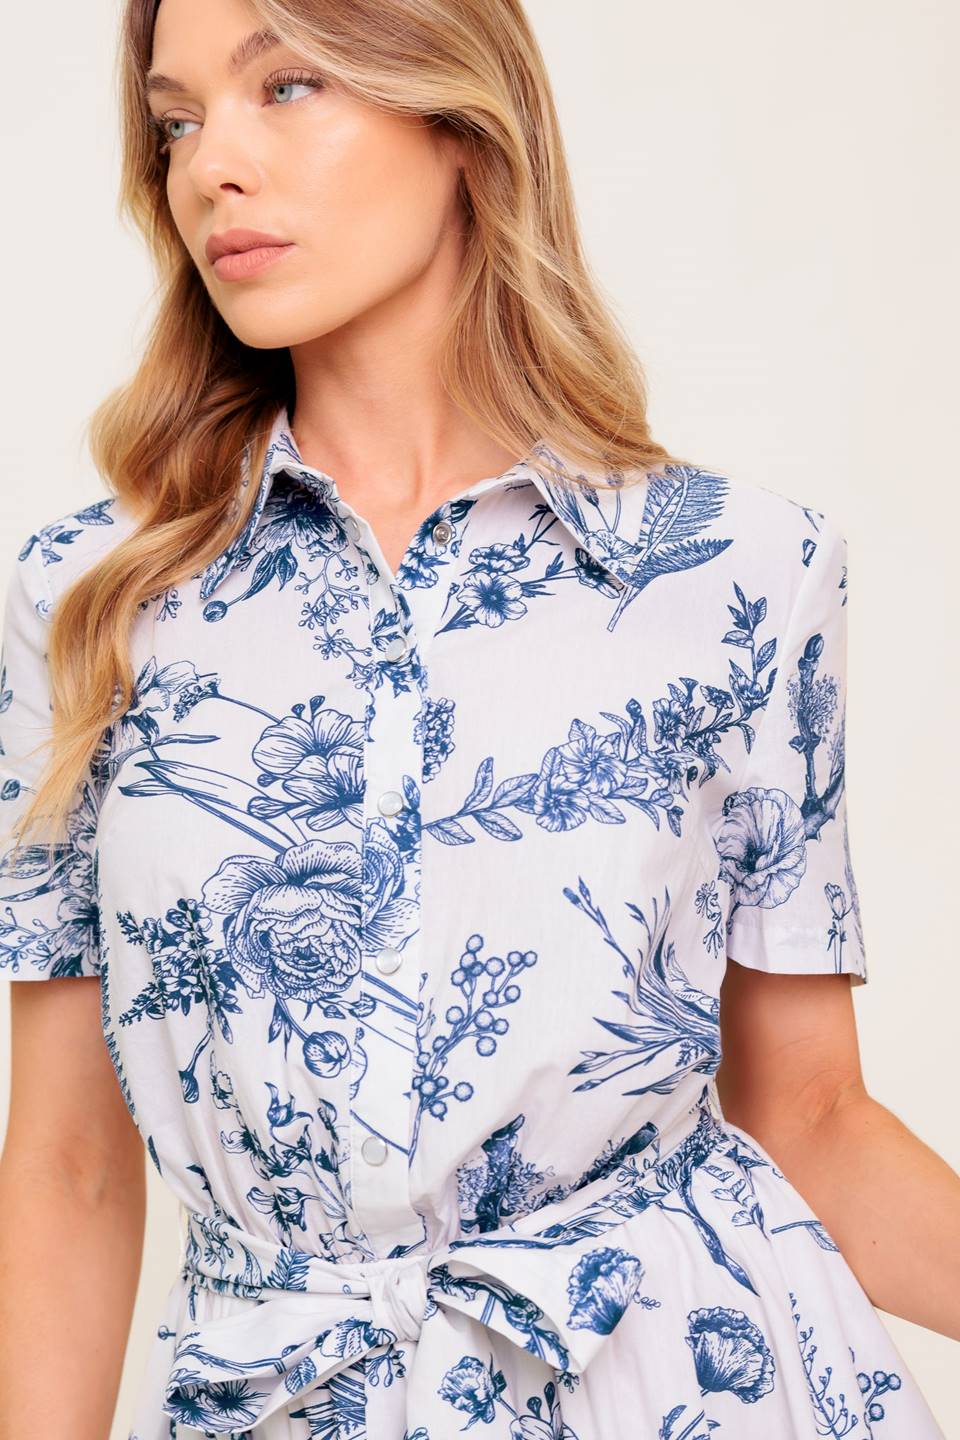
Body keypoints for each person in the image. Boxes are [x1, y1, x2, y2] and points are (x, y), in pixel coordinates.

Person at [0, 0, 956, 1435]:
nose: (211, 169)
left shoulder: (736, 574)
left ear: (461, 118)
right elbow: (71, 1165)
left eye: (287, 86)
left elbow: (810, 1113)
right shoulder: (86, 600)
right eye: (177, 121)